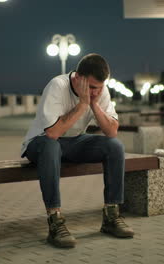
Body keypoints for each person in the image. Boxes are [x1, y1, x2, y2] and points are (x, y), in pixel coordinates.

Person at [21, 54, 134, 248]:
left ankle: (111, 216)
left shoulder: (100, 91)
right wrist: (82, 104)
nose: (94, 91)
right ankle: (55, 221)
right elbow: (53, 133)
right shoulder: (57, 86)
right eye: (90, 87)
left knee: (114, 146)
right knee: (50, 146)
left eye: (98, 88)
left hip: (73, 142)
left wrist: (94, 104)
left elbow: (112, 131)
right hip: (40, 143)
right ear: (77, 78)